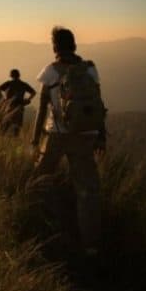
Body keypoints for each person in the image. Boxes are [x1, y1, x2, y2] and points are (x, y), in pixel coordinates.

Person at [31, 27, 107, 255]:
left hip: (58, 135)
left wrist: (35, 140)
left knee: (39, 181)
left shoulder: (50, 72)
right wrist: (101, 135)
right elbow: (97, 105)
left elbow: (42, 108)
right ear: (74, 44)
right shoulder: (90, 70)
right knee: (87, 190)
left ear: (55, 47)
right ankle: (90, 245)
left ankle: (39, 230)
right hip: (86, 135)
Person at [0, 69, 36, 136]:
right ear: (19, 75)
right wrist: (27, 100)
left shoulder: (8, 83)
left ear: (11, 75)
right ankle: (15, 138)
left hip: (9, 106)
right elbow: (33, 92)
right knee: (17, 125)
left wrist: (4, 99)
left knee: (5, 124)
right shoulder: (23, 84)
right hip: (19, 106)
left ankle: (2, 136)